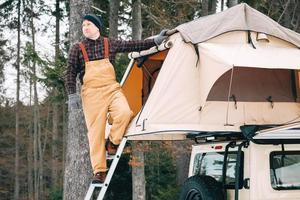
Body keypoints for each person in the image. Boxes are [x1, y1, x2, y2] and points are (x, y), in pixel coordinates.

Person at [65, 14, 167, 183]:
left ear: (97, 27)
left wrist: (155, 40)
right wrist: (72, 94)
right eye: (83, 25)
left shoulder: (109, 43)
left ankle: (113, 141)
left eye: (88, 24)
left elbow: (133, 45)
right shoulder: (78, 48)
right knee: (95, 133)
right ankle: (99, 171)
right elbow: (70, 72)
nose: (85, 27)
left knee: (125, 113)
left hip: (112, 89)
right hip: (91, 94)